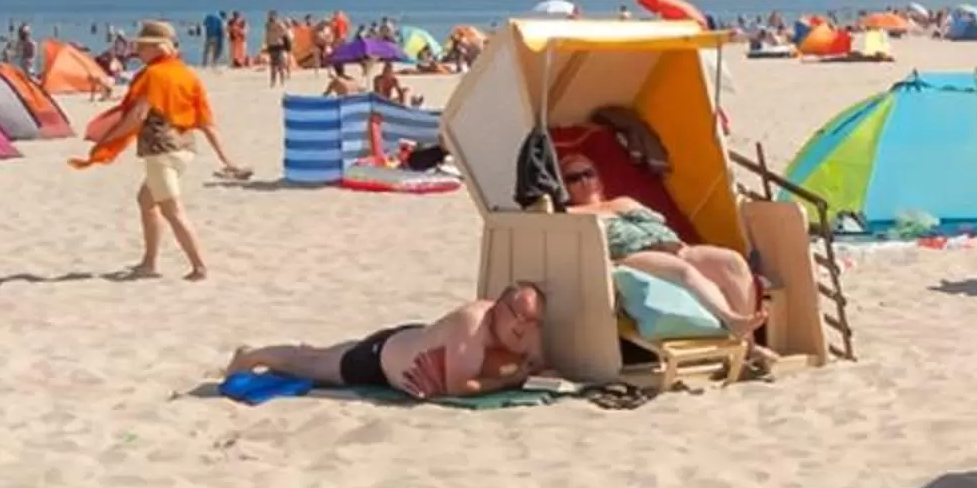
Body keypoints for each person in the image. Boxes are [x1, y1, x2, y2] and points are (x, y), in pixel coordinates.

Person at [75, 20, 246, 280]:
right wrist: (225, 158)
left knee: (172, 210)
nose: (139, 51)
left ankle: (199, 266)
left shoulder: (153, 76)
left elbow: (137, 115)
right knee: (146, 200)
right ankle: (149, 262)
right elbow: (206, 122)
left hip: (161, 150)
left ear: (158, 48)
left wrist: (106, 141)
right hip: (185, 149)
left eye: (144, 46)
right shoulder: (186, 74)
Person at [229, 283, 549, 401]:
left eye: (531, 320)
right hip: (380, 362)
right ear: (498, 306)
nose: (523, 326)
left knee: (322, 356)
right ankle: (252, 356)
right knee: (313, 364)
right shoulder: (473, 323)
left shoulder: (526, 330)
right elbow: (458, 386)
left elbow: (537, 365)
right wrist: (511, 380)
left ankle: (263, 355)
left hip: (410, 340)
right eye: (517, 315)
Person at [557, 152, 762, 334]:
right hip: (631, 254)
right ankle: (731, 319)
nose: (584, 181)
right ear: (564, 187)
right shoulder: (571, 214)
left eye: (588, 174)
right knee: (682, 270)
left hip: (676, 246)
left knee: (732, 261)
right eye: (574, 178)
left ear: (599, 180)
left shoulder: (624, 201)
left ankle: (748, 344)